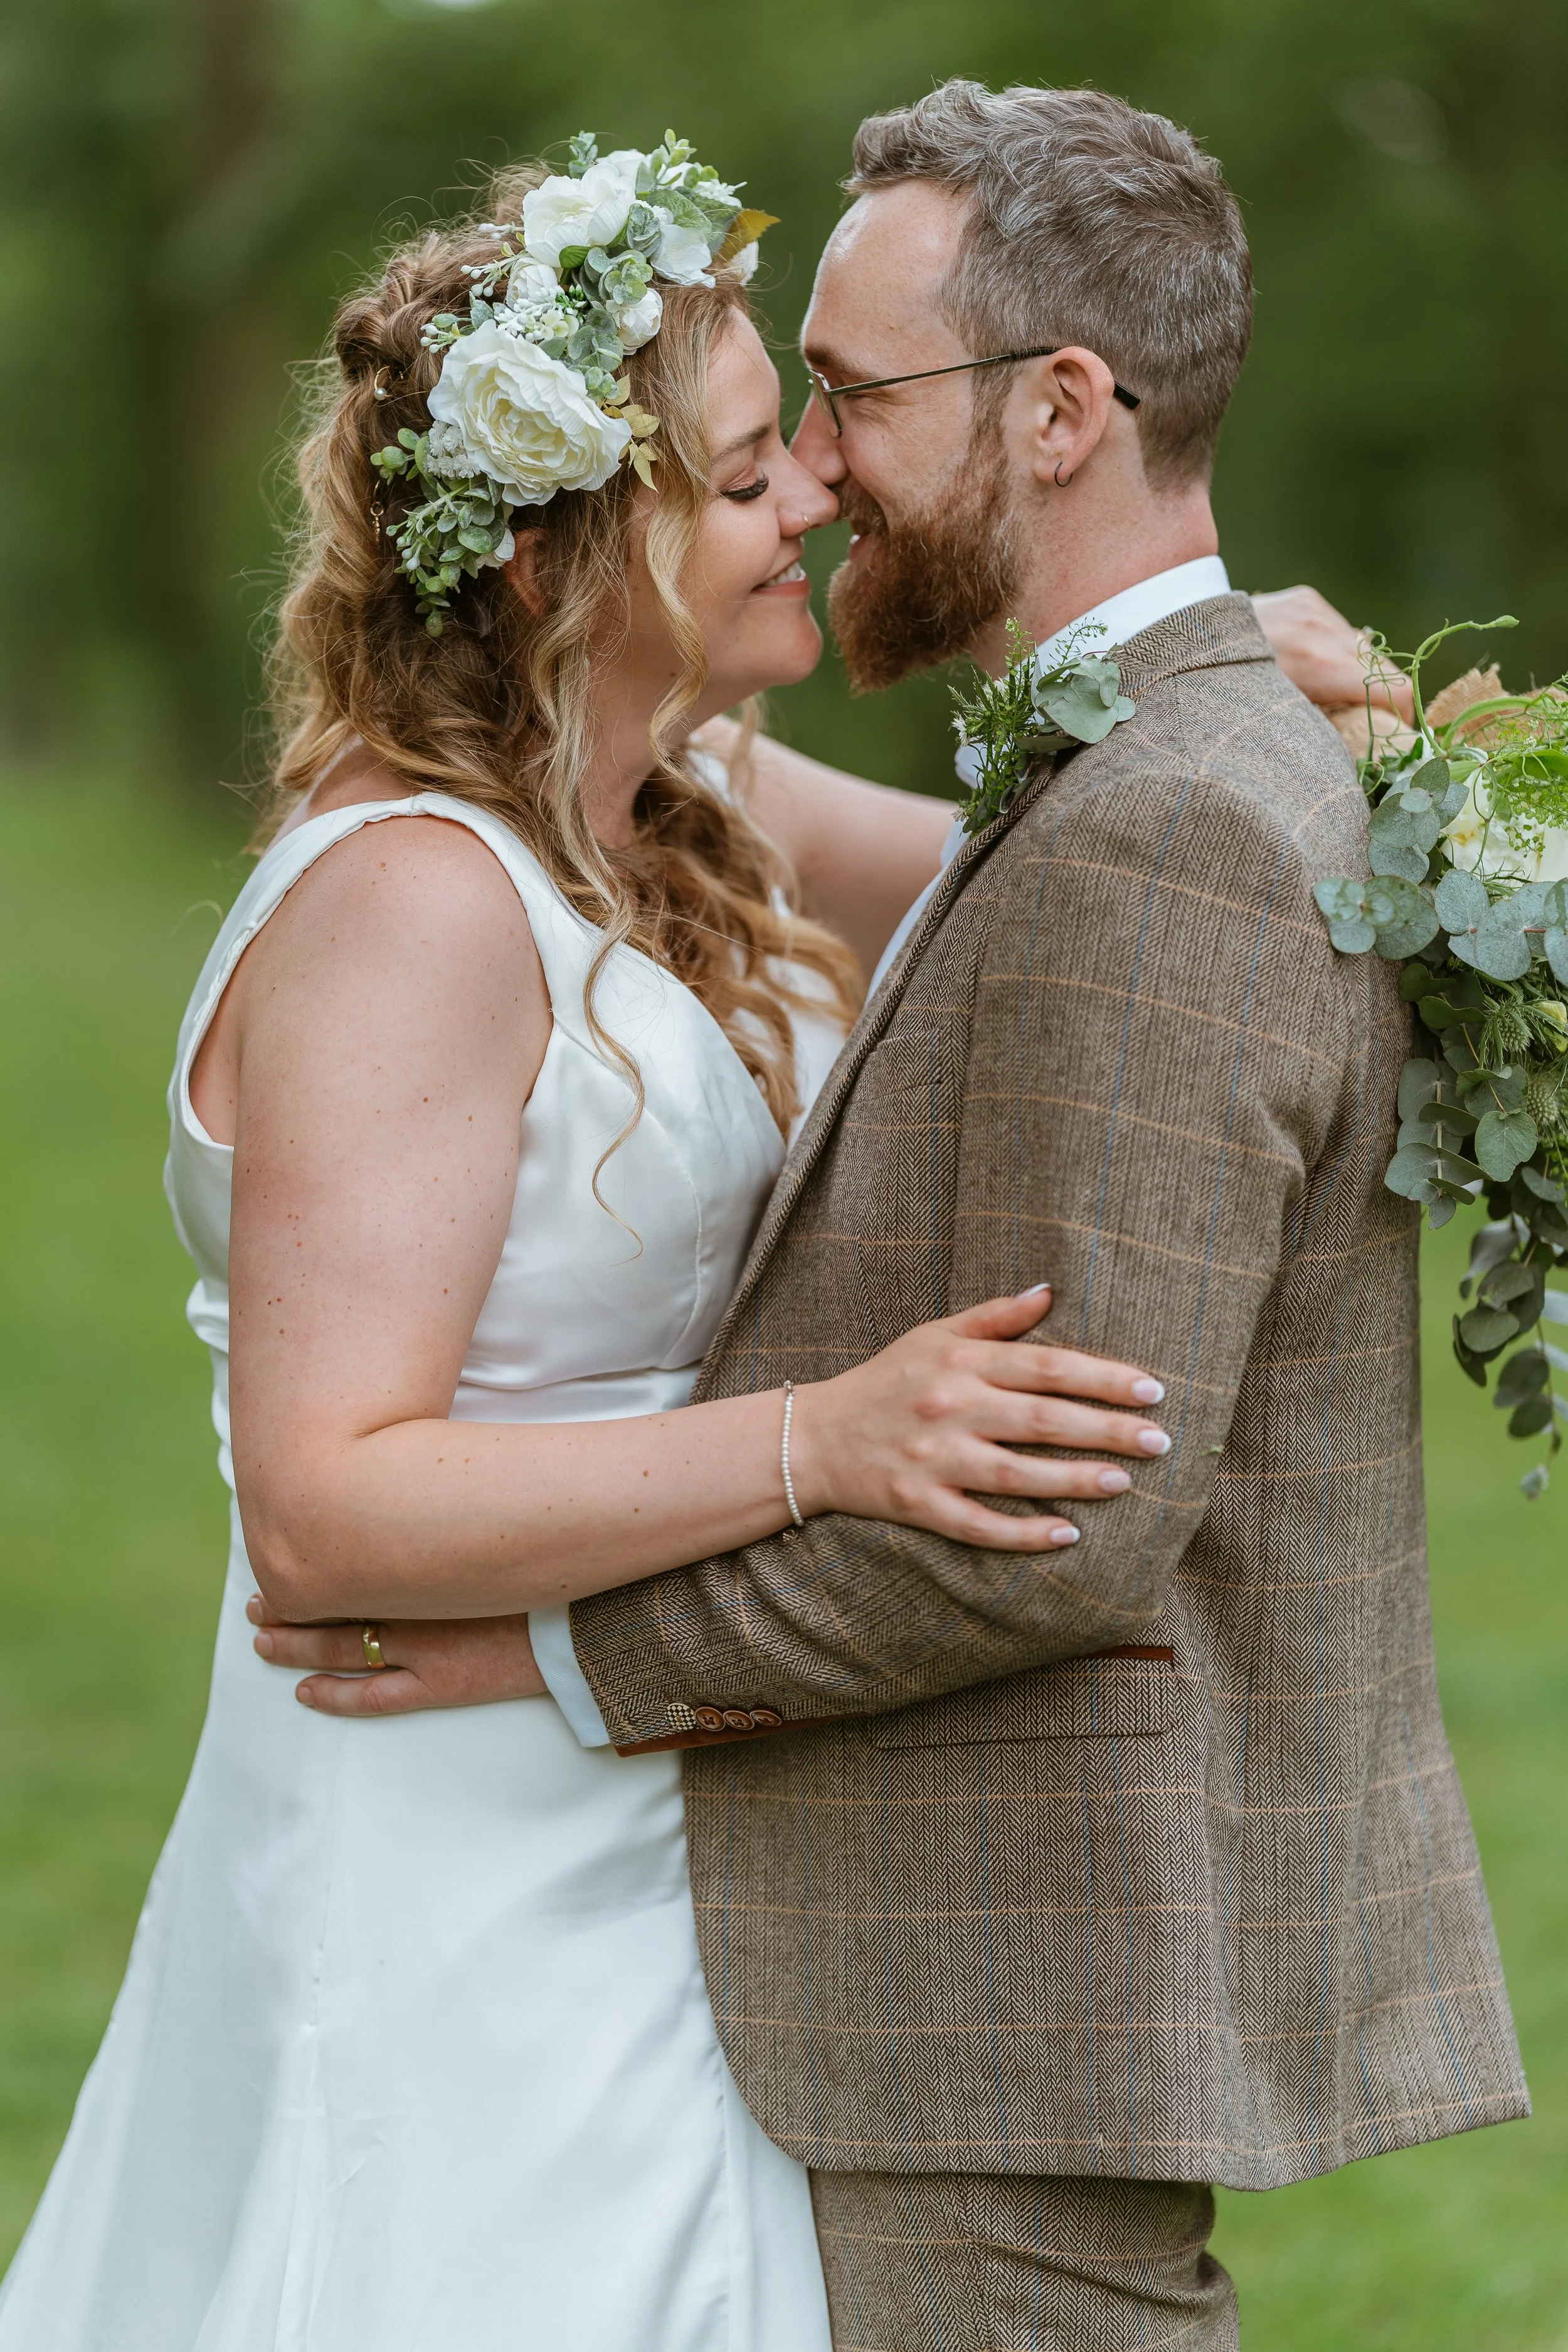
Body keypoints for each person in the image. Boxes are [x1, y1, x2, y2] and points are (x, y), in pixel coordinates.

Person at [266, 85, 1529, 2349]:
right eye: (771, 440)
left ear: (1061, 411)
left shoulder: (1168, 812)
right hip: (819, 1930)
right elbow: (950, 883)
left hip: (999, 1949)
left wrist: (554, 1662)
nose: (821, 475)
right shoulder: (1104, 784)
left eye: (845, 404)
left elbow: (1058, 1512)